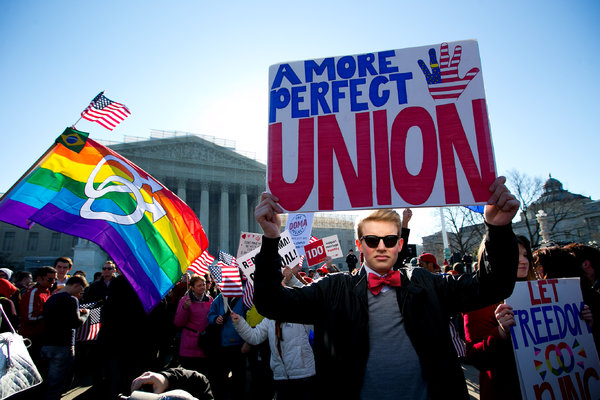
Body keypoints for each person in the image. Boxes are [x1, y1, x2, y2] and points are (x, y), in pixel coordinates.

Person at [253, 176, 520, 399]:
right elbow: (271, 303)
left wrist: (497, 228)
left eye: (390, 239)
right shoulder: (334, 289)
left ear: (400, 245)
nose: (381, 246)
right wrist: (270, 239)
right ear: (359, 246)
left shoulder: (424, 283)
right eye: (372, 239)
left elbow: (492, 286)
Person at [231, 266, 316, 400]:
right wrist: (239, 323)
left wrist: (292, 279)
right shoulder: (270, 318)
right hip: (280, 376)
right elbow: (255, 337)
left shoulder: (300, 309)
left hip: (303, 375)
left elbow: (312, 302)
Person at [40, 276, 89, 400]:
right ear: (76, 285)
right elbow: (75, 322)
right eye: (80, 290)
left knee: (46, 379)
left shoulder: (51, 298)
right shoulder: (71, 299)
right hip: (63, 343)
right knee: (58, 381)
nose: (79, 294)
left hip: (47, 343)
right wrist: (85, 315)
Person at [207, 292, 247, 399]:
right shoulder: (220, 298)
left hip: (239, 344)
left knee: (239, 378)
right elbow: (210, 314)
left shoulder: (244, 296)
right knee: (220, 378)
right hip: (222, 344)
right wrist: (215, 318)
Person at [174, 274, 213, 375]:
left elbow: (211, 319)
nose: (203, 287)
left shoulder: (210, 300)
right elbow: (178, 322)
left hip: (204, 344)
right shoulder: (185, 300)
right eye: (199, 285)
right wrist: (185, 309)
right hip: (189, 345)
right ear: (192, 287)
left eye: (204, 284)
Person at [19, 266, 57, 359]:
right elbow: (29, 317)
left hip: (42, 337)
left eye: (54, 279)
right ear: (39, 278)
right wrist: (49, 315)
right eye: (50, 279)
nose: (53, 282)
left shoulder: (47, 291)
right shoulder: (34, 293)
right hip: (31, 337)